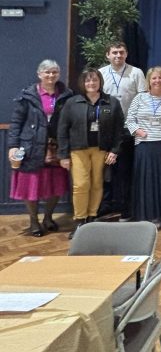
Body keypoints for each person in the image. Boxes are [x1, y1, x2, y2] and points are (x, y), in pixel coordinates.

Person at [7, 60, 72, 237]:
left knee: (55, 184)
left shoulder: (66, 95)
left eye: (54, 72)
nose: (51, 76)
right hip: (31, 146)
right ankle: (34, 221)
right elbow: (16, 123)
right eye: (47, 72)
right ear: (39, 74)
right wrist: (13, 146)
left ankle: (48, 218)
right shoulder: (27, 95)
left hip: (56, 147)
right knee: (31, 185)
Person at [57, 68, 125, 238]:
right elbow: (62, 130)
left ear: (100, 82)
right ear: (82, 83)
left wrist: (115, 151)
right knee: (80, 185)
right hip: (78, 150)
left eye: (95, 80)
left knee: (97, 184)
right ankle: (80, 220)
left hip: (101, 150)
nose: (91, 83)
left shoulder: (112, 102)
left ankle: (92, 217)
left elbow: (119, 130)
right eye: (88, 81)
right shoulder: (72, 103)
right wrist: (63, 155)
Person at [125, 66, 161, 227]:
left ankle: (159, 215)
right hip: (144, 146)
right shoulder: (139, 98)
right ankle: (146, 214)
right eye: (154, 78)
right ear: (148, 81)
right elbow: (129, 119)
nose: (157, 81)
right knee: (146, 182)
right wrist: (137, 130)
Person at [99, 41, 147, 219]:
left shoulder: (136, 73)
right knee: (102, 173)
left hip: (128, 131)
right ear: (108, 55)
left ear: (126, 54)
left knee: (124, 173)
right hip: (105, 131)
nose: (118, 56)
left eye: (121, 52)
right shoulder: (101, 74)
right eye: (114, 53)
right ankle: (105, 206)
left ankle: (126, 210)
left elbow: (143, 100)